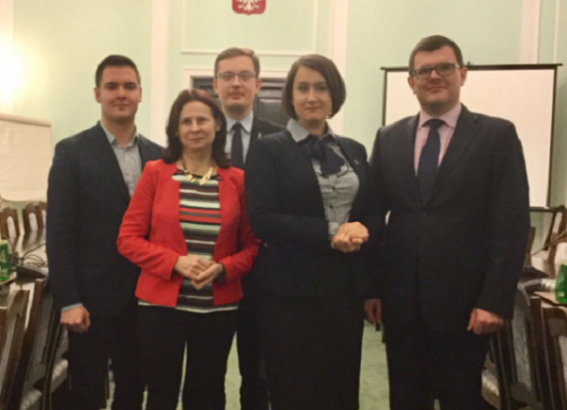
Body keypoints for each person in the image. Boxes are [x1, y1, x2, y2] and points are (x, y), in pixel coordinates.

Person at [366, 35, 530, 410]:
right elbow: (373, 217)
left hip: (467, 307)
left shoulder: (496, 135)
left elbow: (511, 225)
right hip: (402, 305)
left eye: (445, 67)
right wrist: (371, 288)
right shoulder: (389, 138)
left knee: (462, 400)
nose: (434, 76)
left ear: (463, 74)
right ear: (411, 81)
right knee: (405, 400)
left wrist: (494, 301)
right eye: (424, 70)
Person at [245, 54, 381, 410]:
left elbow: (368, 213)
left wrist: (363, 244)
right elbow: (263, 219)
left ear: (334, 95)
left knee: (340, 387)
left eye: (321, 88)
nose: (311, 97)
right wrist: (332, 232)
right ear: (290, 96)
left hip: (344, 290)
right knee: (294, 389)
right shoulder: (268, 149)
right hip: (289, 291)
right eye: (302, 88)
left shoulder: (353, 150)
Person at [117, 89, 259, 410]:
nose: (195, 128)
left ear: (217, 124)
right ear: (176, 130)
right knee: (161, 394)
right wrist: (174, 262)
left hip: (217, 310)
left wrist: (224, 268)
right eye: (186, 121)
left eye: (202, 120)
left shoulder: (238, 180)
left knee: (207, 394)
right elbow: (127, 239)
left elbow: (252, 246)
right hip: (159, 308)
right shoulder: (156, 172)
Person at [46, 55, 163, 410]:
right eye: (112, 86)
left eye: (129, 86)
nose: (121, 93)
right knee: (86, 393)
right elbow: (60, 233)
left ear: (140, 93)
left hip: (145, 298)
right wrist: (70, 300)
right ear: (98, 93)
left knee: (133, 389)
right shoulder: (72, 152)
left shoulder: (160, 157)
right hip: (91, 302)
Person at [212, 47, 284, 410]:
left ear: (258, 84)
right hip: (211, 274)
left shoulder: (281, 139)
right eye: (227, 76)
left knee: (258, 375)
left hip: (265, 276)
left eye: (244, 76)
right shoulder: (199, 136)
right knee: (206, 374)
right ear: (215, 85)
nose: (236, 83)